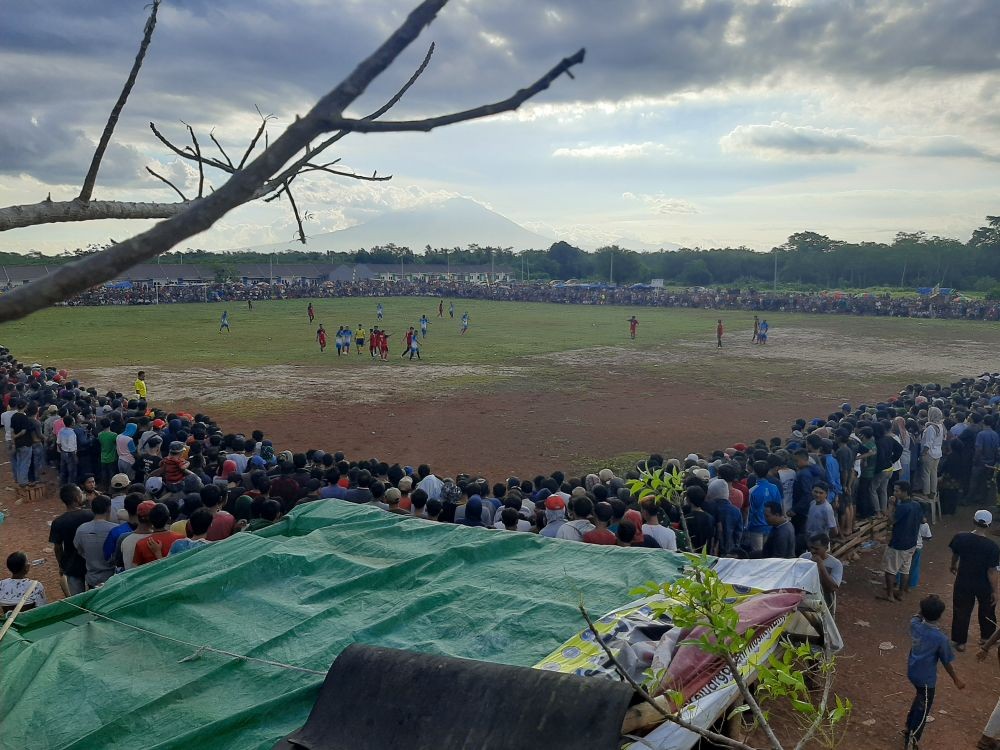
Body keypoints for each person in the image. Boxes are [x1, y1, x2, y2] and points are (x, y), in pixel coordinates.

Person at [903, 594, 964, 749]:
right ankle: (912, 740)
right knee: (923, 710)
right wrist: (956, 679)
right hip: (926, 679)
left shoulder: (915, 624)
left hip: (913, 671)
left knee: (919, 699)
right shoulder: (940, 639)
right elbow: (946, 662)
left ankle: (908, 727)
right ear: (940, 615)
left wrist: (924, 607)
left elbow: (917, 615)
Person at [949, 509, 1000, 651]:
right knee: (987, 609)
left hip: (964, 579)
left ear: (973, 521)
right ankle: (986, 638)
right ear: (989, 525)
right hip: (983, 583)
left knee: (961, 610)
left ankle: (960, 642)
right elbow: (992, 571)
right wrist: (996, 591)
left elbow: (955, 554)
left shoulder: (960, 537)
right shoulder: (992, 547)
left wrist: (953, 566)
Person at [880, 481, 922, 602]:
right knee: (905, 569)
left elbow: (890, 521)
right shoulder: (916, 505)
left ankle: (890, 595)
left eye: (897, 491)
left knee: (890, 570)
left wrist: (891, 506)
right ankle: (901, 593)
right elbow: (922, 519)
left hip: (899, 543)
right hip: (911, 543)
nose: (895, 493)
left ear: (904, 492)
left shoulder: (902, 507)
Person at [49, 484, 94, 596]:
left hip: (71, 565)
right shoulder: (90, 515)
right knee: (96, 596)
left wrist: (61, 565)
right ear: (77, 498)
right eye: (80, 493)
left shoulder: (58, 522)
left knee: (77, 599)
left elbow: (58, 548)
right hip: (91, 563)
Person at [73, 495, 117, 588]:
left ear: (92, 509)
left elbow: (79, 550)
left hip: (92, 578)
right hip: (113, 578)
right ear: (109, 509)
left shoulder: (81, 529)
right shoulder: (115, 529)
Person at [800, 533, 842, 612]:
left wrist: (821, 566)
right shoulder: (804, 558)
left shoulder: (835, 564)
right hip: (806, 601)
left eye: (816, 549)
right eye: (811, 547)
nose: (812, 551)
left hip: (825, 602)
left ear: (826, 548)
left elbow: (833, 587)